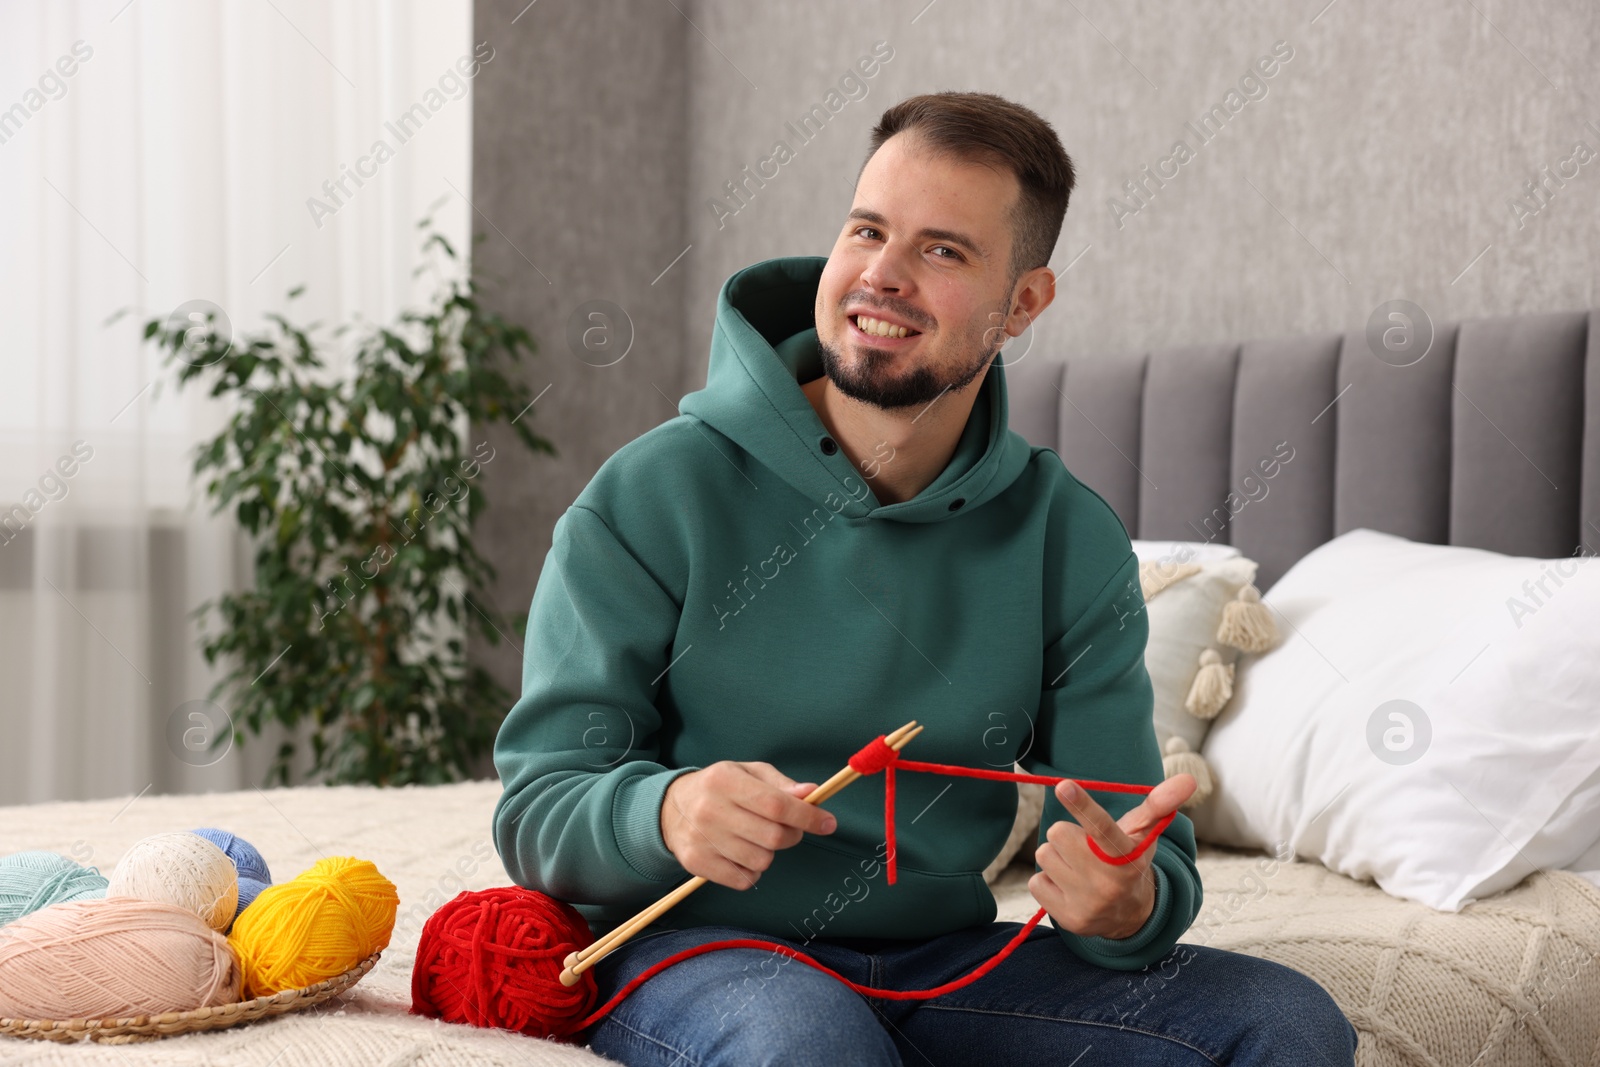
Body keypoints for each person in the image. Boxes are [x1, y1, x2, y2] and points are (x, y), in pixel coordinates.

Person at [492, 90, 1358, 1065]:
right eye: (867, 230)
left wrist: (1132, 898)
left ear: (1023, 302)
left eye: (942, 250)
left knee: (1285, 1023)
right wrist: (662, 809)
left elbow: (1128, 832)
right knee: (811, 1045)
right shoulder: (650, 493)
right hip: (690, 948)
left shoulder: (1063, 534)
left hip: (943, 957)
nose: (881, 275)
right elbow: (537, 806)